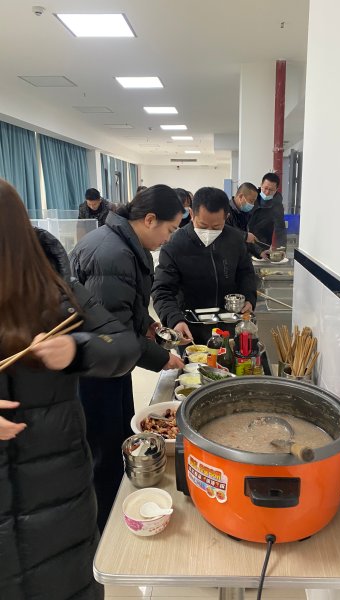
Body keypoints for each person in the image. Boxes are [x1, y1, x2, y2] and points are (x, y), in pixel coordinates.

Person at [0, 178, 141, 599]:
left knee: (65, 579)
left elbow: (123, 346)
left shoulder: (56, 289)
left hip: (56, 481)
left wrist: (77, 349)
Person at [70, 184, 185, 530]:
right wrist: (161, 358)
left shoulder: (124, 244)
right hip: (96, 368)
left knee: (122, 437)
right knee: (104, 450)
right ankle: (105, 527)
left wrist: (147, 323)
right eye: (169, 229)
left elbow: (121, 308)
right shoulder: (113, 254)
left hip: (111, 365)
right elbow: (110, 333)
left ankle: (118, 506)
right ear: (150, 219)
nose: (169, 238)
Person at [152, 187, 257, 345]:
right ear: (191, 214)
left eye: (216, 227)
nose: (208, 231)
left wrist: (249, 298)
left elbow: (246, 273)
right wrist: (175, 320)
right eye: (202, 225)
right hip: (190, 327)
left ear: (226, 217)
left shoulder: (235, 239)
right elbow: (162, 290)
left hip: (229, 325)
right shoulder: (175, 244)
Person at [247, 172, 287, 258]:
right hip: (246, 238)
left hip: (263, 243)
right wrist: (244, 234)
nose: (267, 192)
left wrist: (281, 249)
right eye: (265, 188)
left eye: (271, 190)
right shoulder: (251, 197)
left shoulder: (277, 205)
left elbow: (280, 229)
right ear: (261, 185)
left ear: (276, 190)